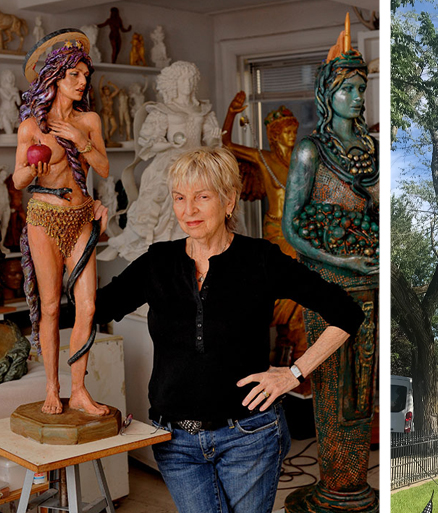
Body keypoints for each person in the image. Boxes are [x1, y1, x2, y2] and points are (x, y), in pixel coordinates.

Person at [93, 146, 363, 513]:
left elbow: (346, 312)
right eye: (180, 198)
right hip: (175, 442)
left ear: (229, 200)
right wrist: (84, 239)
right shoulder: (158, 262)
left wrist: (294, 374)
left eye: (202, 197)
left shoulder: (261, 260)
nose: (188, 211)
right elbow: (94, 309)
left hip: (249, 436)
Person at [282, 17, 379, 512]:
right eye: (348, 89)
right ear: (328, 94)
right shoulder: (308, 152)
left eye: (362, 88)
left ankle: (353, 487)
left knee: (364, 388)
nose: (358, 97)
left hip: (371, 286)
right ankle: (335, 487)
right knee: (334, 386)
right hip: (328, 286)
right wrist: (338, 256)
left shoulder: (374, 152)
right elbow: (293, 228)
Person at [14, 33, 110, 415]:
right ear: (54, 78)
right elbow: (19, 181)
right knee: (51, 307)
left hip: (80, 217)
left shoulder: (89, 120)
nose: (82, 81)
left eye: (85, 74)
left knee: (86, 306)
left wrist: (81, 142)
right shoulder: (32, 128)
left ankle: (80, 389)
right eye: (73, 74)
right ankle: (53, 388)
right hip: (43, 218)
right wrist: (31, 169)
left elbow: (103, 167)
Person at [222, 96, 308, 381]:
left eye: (294, 130)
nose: (291, 136)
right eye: (286, 131)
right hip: (276, 232)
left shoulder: (302, 162)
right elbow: (226, 145)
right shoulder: (264, 158)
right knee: (279, 290)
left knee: (301, 293)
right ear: (274, 134)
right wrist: (232, 114)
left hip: (300, 232)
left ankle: (296, 350)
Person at [101, 61, 221, 262]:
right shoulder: (164, 110)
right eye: (184, 79)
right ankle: (128, 241)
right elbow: (148, 145)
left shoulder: (203, 109)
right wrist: (170, 143)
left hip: (198, 165)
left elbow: (212, 143)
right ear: (173, 83)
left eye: (192, 79)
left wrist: (216, 139)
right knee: (156, 199)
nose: (189, 83)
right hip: (170, 163)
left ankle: (198, 253)